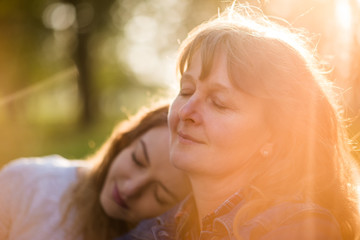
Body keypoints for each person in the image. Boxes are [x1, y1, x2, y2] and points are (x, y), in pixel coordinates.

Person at [118, 4, 360, 240]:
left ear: (275, 135)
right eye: (186, 90)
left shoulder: (302, 228)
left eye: (219, 103)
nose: (187, 111)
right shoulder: (160, 225)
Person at [0, 104, 191, 240]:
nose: (130, 189)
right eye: (137, 160)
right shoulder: (23, 185)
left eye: (159, 195)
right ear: (123, 142)